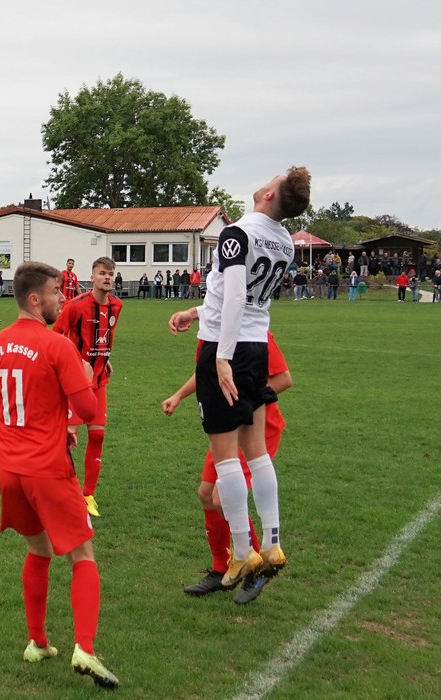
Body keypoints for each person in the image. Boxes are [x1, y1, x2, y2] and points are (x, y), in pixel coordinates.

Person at [168, 166, 311, 589]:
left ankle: (244, 552)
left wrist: (221, 357)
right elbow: (243, 297)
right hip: (257, 345)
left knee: (227, 458)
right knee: (257, 454)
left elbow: (233, 297)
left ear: (269, 195)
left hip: (226, 345)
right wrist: (195, 311)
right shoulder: (284, 241)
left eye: (273, 180)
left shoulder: (237, 233)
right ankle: (272, 543)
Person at [0, 261, 118, 688]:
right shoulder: (57, 345)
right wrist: (82, 382)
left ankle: (37, 642)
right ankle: (85, 648)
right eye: (56, 292)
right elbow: (89, 409)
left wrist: (49, 421)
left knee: (38, 550)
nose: (63, 298)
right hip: (47, 468)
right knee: (83, 554)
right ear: (34, 298)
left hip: (9, 468)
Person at [163, 330, 291, 604]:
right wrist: (178, 395)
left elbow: (283, 378)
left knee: (221, 498)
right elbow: (208, 374)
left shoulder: (255, 331)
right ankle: (221, 567)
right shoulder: (210, 329)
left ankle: (257, 567)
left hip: (257, 430)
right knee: (206, 494)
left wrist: (245, 400)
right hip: (227, 429)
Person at [52, 257, 123, 517]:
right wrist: (75, 362)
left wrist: (104, 359)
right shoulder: (75, 305)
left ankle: (87, 495)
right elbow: (55, 337)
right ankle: (60, 492)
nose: (107, 277)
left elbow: (104, 337)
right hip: (75, 382)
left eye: (110, 274)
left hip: (99, 380)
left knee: (98, 435)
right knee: (68, 437)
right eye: (102, 273)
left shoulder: (116, 306)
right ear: (92, 277)